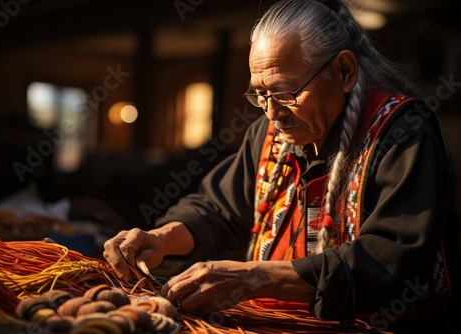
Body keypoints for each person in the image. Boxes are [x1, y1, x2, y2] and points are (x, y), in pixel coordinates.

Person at [104, 0, 460, 331]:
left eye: (287, 91)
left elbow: (390, 262)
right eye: (260, 93)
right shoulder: (271, 131)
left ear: (344, 71)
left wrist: (256, 276)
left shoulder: (401, 132)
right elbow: (218, 208)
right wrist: (161, 238)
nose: (272, 113)